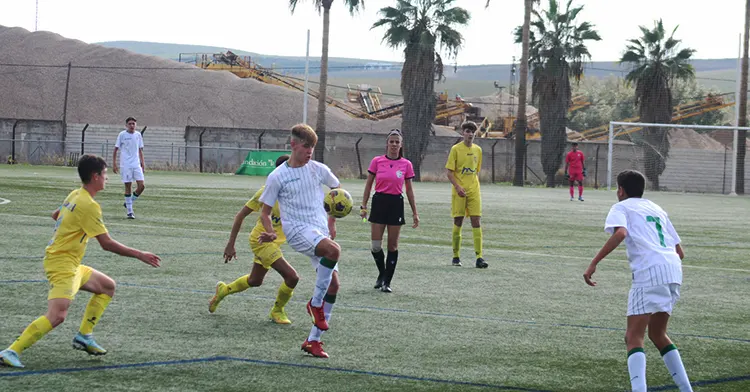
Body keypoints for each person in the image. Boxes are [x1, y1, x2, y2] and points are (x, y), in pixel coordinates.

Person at [0, 155, 161, 369]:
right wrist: (140, 254)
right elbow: (107, 244)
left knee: (107, 287)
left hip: (70, 263)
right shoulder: (89, 205)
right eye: (104, 174)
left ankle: (84, 336)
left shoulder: (76, 194)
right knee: (57, 315)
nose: (107, 179)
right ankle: (11, 351)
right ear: (95, 177)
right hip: (62, 264)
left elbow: (55, 214)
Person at [583, 170, 693, 392]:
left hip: (649, 272)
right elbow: (679, 251)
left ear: (621, 190)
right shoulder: (656, 208)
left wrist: (594, 262)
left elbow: (621, 233)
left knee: (633, 336)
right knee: (658, 334)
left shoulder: (620, 207)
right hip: (673, 271)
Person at [258, 124, 342, 359]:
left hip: (319, 232)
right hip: (297, 231)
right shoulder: (277, 176)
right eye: (306, 147)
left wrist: (332, 220)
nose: (310, 152)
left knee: (334, 286)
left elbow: (337, 190)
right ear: (293, 145)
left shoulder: (318, 169)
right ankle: (315, 305)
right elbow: (264, 212)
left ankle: (313, 341)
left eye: (312, 148)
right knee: (334, 250)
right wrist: (271, 232)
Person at [208, 155, 299, 324]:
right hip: (261, 241)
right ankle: (277, 311)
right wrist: (230, 244)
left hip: (274, 242)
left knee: (255, 281)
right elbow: (240, 216)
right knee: (292, 277)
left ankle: (223, 290)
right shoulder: (266, 193)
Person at [360, 129, 419, 293]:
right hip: (379, 202)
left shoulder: (406, 164)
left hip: (395, 204)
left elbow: (409, 190)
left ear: (401, 145)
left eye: (397, 142)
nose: (394, 144)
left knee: (392, 246)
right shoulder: (377, 161)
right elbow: (368, 184)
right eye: (391, 141)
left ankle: (387, 282)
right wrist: (363, 206)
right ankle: (382, 273)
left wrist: (415, 212)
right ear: (387, 143)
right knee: (376, 246)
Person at [445, 121, 488, 269]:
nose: (470, 134)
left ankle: (479, 257)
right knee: (458, 221)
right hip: (459, 191)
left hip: (474, 190)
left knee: (476, 221)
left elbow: (476, 171)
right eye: (467, 131)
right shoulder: (455, 149)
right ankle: (456, 256)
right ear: (463, 133)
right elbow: (449, 172)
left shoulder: (478, 150)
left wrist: (471, 186)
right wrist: (458, 187)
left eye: (472, 131)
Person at [113, 117, 146, 219]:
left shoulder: (138, 135)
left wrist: (142, 162)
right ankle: (130, 212)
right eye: (130, 124)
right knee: (128, 186)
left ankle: (129, 202)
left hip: (136, 164)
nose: (132, 125)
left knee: (142, 186)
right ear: (126, 125)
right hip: (126, 165)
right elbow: (115, 149)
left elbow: (140, 150)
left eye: (133, 124)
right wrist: (114, 164)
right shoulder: (122, 135)